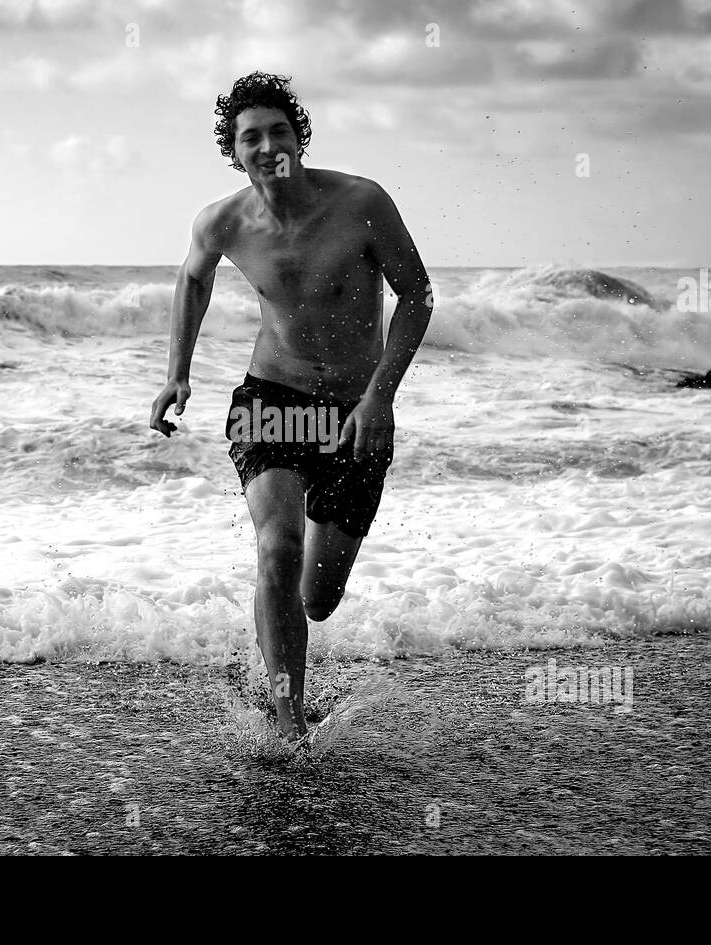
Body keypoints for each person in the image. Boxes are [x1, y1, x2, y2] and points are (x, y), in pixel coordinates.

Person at [149, 72, 433, 739]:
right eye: (251, 136)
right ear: (234, 150)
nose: (267, 144)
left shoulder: (362, 203)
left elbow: (416, 294)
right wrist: (177, 375)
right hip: (271, 400)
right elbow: (192, 279)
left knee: (317, 597)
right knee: (276, 548)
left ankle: (277, 646)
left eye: (279, 130)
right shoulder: (222, 222)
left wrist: (379, 398)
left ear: (298, 139)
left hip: (355, 411)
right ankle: (286, 719)